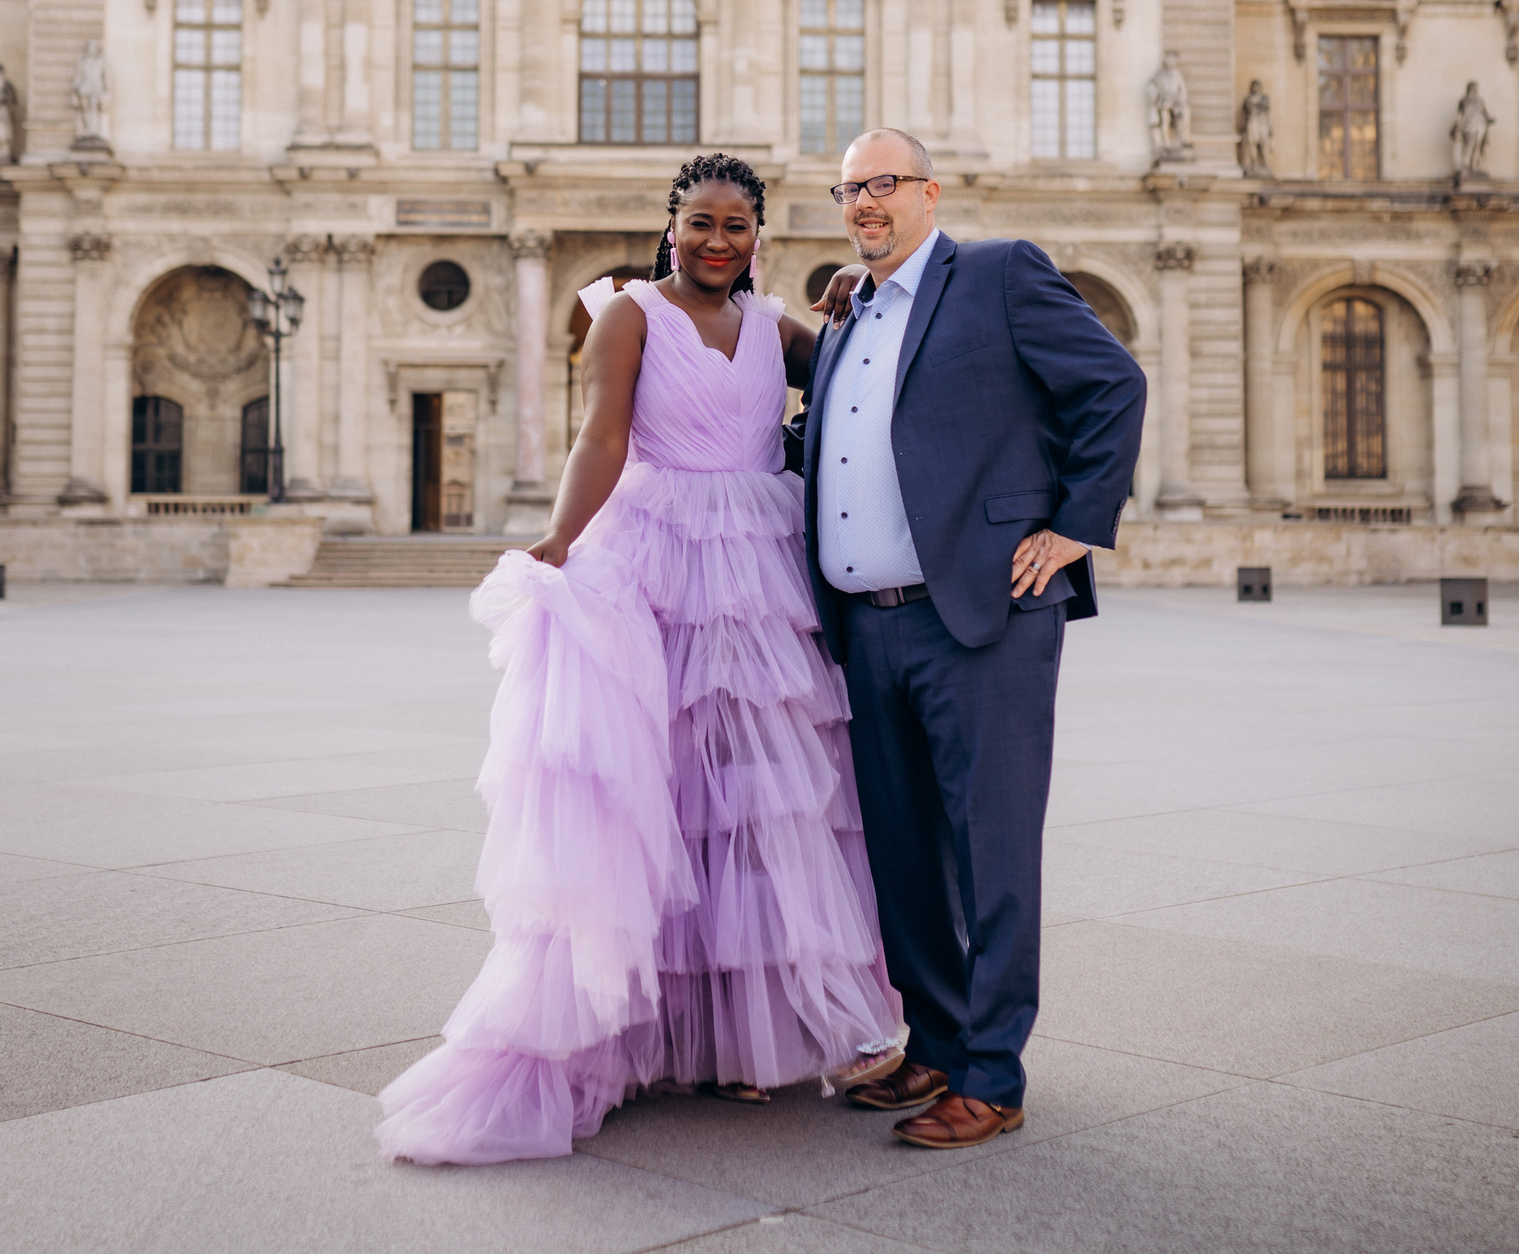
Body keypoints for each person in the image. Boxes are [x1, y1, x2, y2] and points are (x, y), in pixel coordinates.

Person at [377, 153, 898, 1165]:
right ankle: (660, 1030)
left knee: (759, 800)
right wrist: (560, 538)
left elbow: (862, 362)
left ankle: (750, 1033)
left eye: (736, 225)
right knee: (667, 794)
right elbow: (601, 439)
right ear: (671, 226)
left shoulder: (775, 328)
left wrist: (859, 284)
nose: (717, 240)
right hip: (661, 555)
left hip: (762, 561)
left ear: (758, 237)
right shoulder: (628, 314)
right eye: (700, 221)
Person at [798, 127, 1144, 1151]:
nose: (865, 202)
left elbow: (1112, 384)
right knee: (903, 855)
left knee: (990, 850)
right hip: (866, 626)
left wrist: (1077, 524)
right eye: (849, 189)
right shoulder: (848, 312)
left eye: (884, 182)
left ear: (930, 192)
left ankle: (993, 1074)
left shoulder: (996, 276)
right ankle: (940, 1042)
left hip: (980, 617)